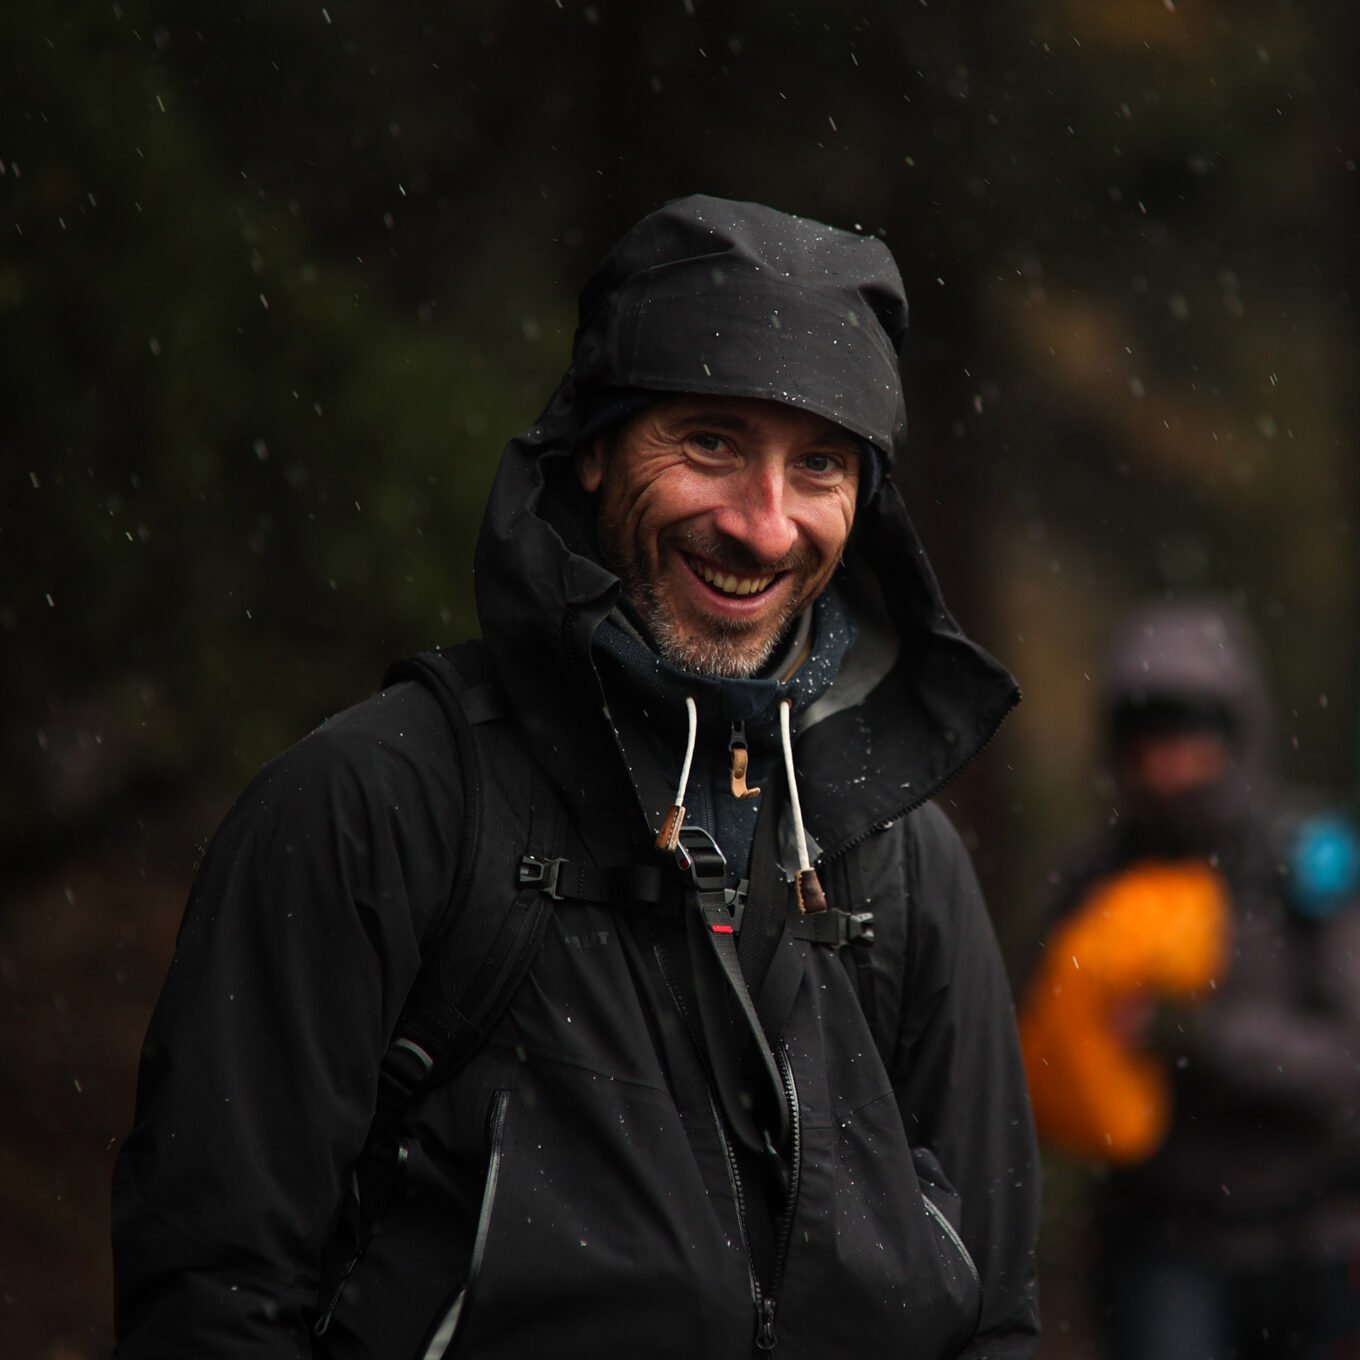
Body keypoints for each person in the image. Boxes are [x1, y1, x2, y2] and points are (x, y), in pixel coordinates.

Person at [112, 194, 1040, 1359]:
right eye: (709, 442)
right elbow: (214, 1296)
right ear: (592, 447)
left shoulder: (901, 861)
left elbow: (992, 1318)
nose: (764, 526)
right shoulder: (369, 807)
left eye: (819, 465)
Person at [1020, 598, 1360, 1360]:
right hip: (1161, 1245)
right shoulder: (1096, 880)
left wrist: (1197, 1037)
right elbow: (1027, 1040)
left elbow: (1345, 1064)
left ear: (1239, 735)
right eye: (1146, 740)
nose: (1167, 764)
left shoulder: (1307, 862)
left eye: (1190, 736)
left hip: (1311, 1236)